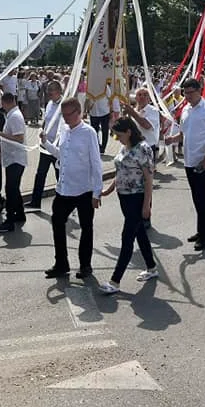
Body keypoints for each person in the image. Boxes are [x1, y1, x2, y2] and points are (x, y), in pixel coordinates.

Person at [41, 98, 103, 279]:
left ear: (78, 112)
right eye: (64, 115)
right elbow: (62, 155)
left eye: (69, 114)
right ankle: (61, 263)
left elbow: (96, 163)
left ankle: (85, 265)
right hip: (64, 188)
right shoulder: (64, 129)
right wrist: (46, 143)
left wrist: (97, 191)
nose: (66, 118)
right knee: (57, 222)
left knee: (86, 227)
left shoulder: (88, 132)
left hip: (84, 189)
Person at [98, 118, 158, 295]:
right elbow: (121, 171)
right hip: (124, 197)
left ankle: (115, 281)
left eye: (119, 135)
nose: (117, 138)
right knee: (139, 233)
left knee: (127, 237)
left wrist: (147, 205)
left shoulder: (143, 149)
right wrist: (108, 190)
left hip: (136, 198)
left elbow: (148, 179)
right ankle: (152, 268)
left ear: (129, 132)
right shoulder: (125, 147)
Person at [165, 78, 205, 252]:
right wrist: (172, 139)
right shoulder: (186, 110)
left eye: (191, 92)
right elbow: (183, 133)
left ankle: (204, 235)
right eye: (185, 93)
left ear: (199, 90)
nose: (187, 96)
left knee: (201, 197)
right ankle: (203, 230)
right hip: (189, 161)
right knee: (197, 198)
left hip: (204, 161)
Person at [0, 92, 28, 233]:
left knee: (10, 189)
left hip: (16, 158)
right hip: (12, 158)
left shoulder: (15, 116)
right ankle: (20, 214)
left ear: (5, 103)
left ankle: (10, 220)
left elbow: (19, 138)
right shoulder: (12, 115)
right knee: (14, 188)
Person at [29, 79, 63, 210]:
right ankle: (35, 201)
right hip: (45, 144)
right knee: (40, 173)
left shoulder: (63, 106)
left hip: (56, 146)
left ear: (59, 91)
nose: (49, 93)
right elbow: (46, 121)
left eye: (52, 90)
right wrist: (42, 130)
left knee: (59, 174)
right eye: (48, 90)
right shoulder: (49, 104)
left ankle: (64, 201)